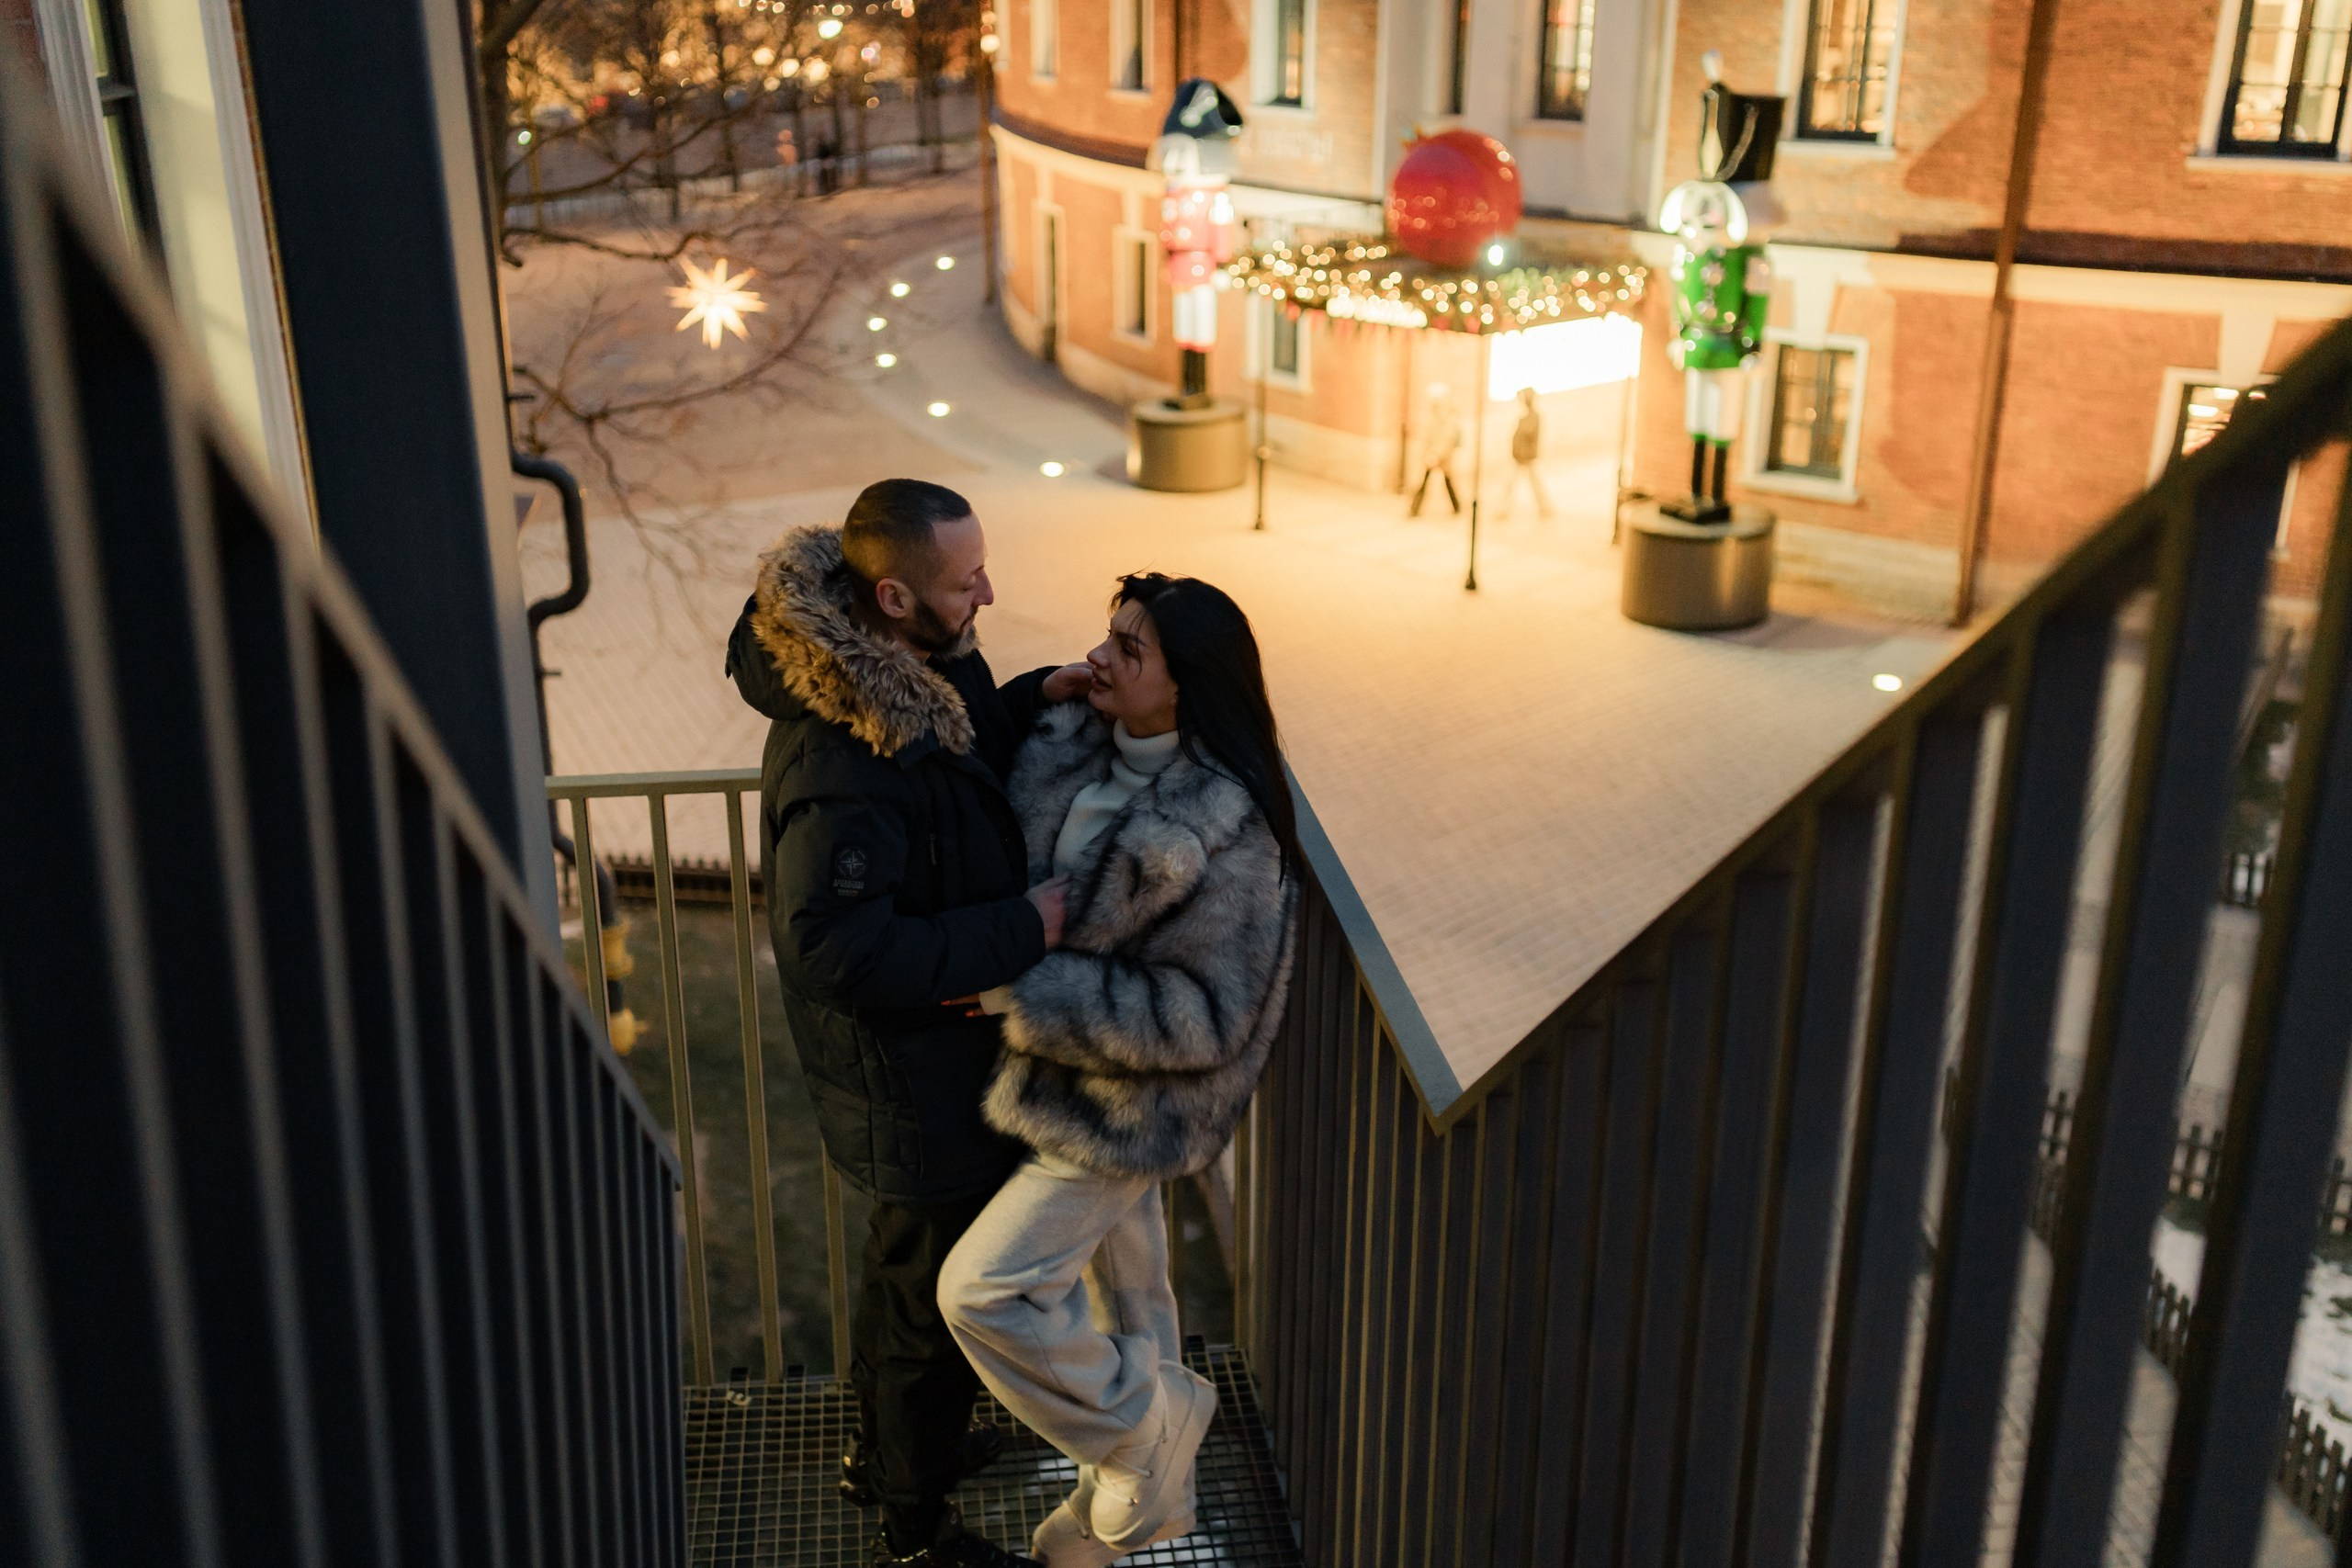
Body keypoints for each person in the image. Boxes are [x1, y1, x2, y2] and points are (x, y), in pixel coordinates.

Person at [726, 479, 1091, 1568]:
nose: (989, 592)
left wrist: (1033, 696)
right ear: (891, 597)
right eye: (966, 579)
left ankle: (884, 1458)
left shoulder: (920, 663)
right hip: (908, 1078)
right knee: (928, 1309)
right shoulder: (841, 752)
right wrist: (1022, 927)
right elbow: (833, 949)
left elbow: (956, 761)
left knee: (910, 1284)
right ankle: (914, 1529)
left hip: (938, 1060)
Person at [937, 575, 1301, 1568]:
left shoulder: (1227, 825)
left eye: (1129, 650)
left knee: (982, 1291)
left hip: (1133, 1103)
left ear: (1188, 687)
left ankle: (1149, 1429)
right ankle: (1130, 1520)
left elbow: (1207, 1017)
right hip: (1064, 1079)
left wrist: (1024, 993)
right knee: (1132, 1304)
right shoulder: (1074, 745)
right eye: (1108, 635)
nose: (1100, 656)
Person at [1498, 386, 1554, 520]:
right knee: (1510, 483)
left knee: (1535, 483)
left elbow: (1528, 436)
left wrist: (1523, 453)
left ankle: (1545, 507)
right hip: (1519, 456)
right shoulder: (1524, 416)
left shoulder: (1533, 416)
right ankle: (1503, 509)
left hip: (1527, 457)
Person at [1408, 381, 1462, 516]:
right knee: (1443, 481)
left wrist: (1435, 454)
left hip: (1438, 456)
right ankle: (1456, 506)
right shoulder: (1437, 413)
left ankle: (1414, 509)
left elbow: (1446, 438)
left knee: (1428, 481)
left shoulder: (1446, 416)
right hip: (1433, 454)